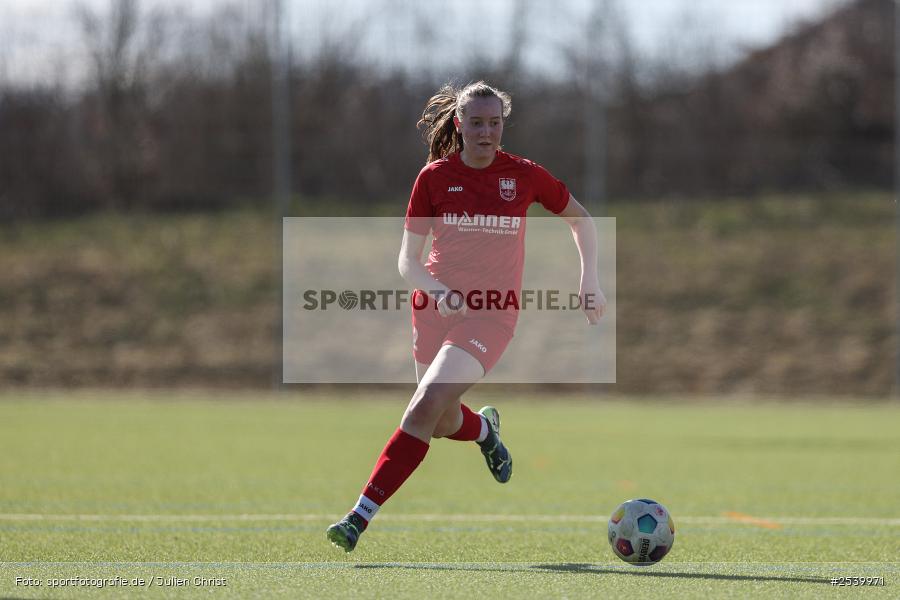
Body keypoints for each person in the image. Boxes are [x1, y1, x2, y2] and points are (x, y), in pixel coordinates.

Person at [326, 81, 606, 552]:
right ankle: (484, 430)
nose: (486, 131)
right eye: (476, 122)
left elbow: (581, 219)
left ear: (503, 125)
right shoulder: (434, 178)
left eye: (494, 122)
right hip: (432, 310)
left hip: (490, 317)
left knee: (421, 407)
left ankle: (358, 518)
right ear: (459, 124)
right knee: (436, 420)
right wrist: (439, 293)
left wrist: (590, 278)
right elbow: (407, 261)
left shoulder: (524, 175)